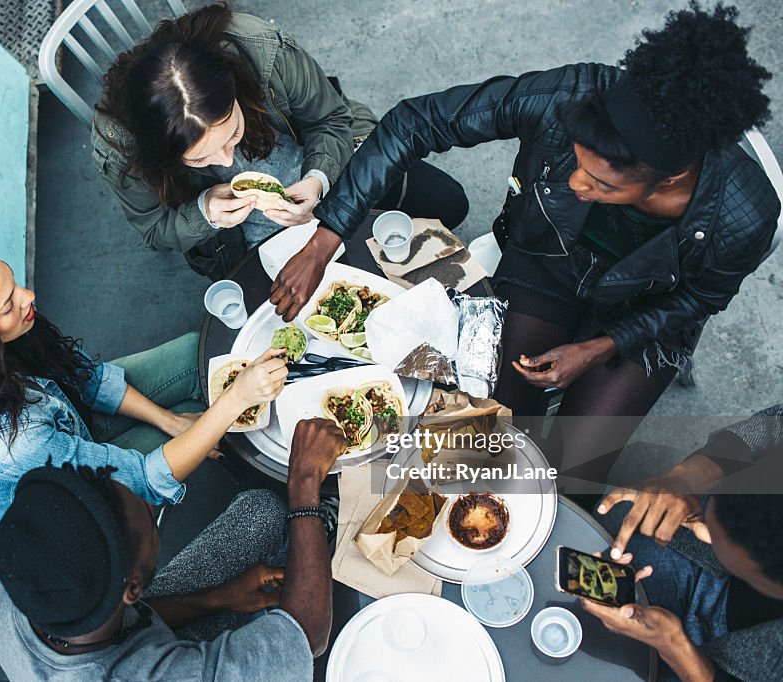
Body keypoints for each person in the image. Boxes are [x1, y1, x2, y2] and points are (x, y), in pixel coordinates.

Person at [269, 2, 778, 479]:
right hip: (547, 263)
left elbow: (700, 298)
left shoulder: (743, 214)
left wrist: (603, 347)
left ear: (668, 180)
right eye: (575, 161)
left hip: (643, 313)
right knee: (498, 435)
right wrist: (326, 236)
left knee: (575, 475)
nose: (577, 185)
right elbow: (414, 122)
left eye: (602, 184)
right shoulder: (568, 96)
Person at [0, 242, 287, 530]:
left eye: (13, 283)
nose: (29, 296)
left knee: (193, 354)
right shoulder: (9, 444)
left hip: (67, 422)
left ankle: (230, 427)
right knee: (210, 417)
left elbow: (85, 378)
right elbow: (145, 478)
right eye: (9, 304)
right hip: (79, 506)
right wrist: (234, 401)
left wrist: (171, 421)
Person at [93, 2, 468, 279]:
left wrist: (318, 179)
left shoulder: (261, 51)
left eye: (233, 134)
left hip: (329, 165)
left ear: (236, 91)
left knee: (449, 206)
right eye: (199, 160)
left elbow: (331, 117)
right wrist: (204, 212)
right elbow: (156, 230)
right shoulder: (118, 145)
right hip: (241, 240)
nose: (225, 163)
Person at [0, 418, 348, 680]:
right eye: (146, 510)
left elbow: (114, 629)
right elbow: (306, 636)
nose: (153, 504)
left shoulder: (15, 576)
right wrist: (304, 482)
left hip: (121, 641)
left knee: (263, 512)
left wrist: (217, 598)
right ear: (134, 586)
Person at [588, 407, 783, 681]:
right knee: (629, 517)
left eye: (715, 539)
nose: (703, 533)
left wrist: (674, 647)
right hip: (715, 583)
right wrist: (683, 480)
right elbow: (774, 425)